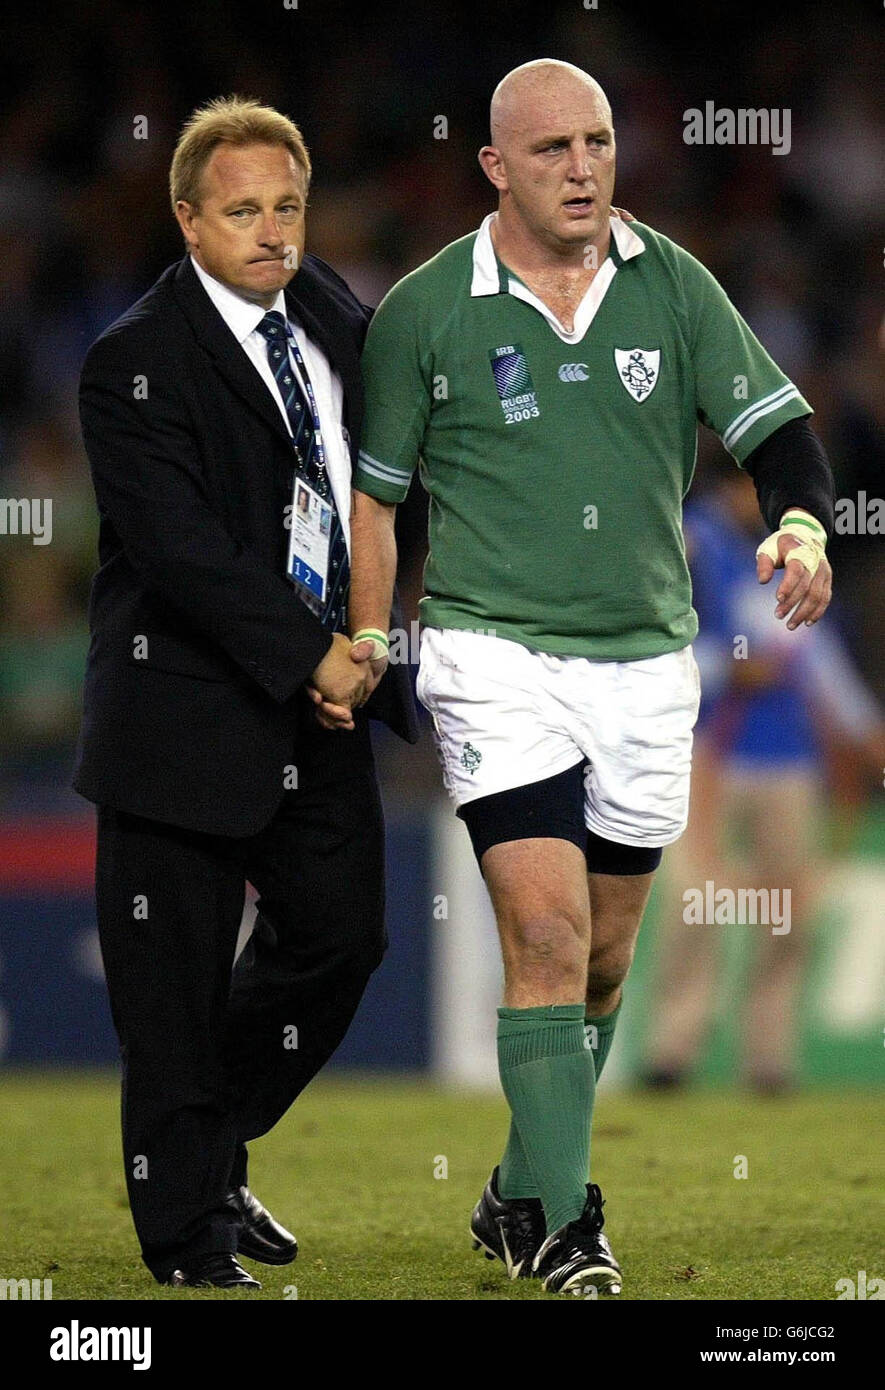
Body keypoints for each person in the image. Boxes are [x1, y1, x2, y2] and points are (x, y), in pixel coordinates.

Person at [340, 59, 835, 1295]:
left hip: (647, 664)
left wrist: (807, 526)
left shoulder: (671, 284)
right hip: (489, 653)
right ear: (494, 167)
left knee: (606, 960)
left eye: (600, 142)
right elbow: (376, 504)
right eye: (552, 147)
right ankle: (572, 1228)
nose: (582, 167)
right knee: (548, 934)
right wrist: (367, 637)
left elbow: (778, 431)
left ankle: (517, 1189)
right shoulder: (422, 312)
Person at [74, 96, 418, 1289]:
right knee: (168, 999)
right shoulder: (132, 362)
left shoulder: (327, 309)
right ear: (185, 220)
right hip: (179, 716)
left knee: (343, 939)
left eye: (288, 206)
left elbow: (382, 466)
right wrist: (310, 652)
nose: (273, 233)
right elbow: (181, 551)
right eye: (242, 212)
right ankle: (188, 1240)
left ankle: (206, 1150)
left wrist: (364, 640)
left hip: (315, 707)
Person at [644, 468, 883, 1093]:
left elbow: (818, 655)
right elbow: (655, 643)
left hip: (790, 759)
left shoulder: (790, 555)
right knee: (697, 902)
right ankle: (673, 1049)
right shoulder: (689, 542)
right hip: (713, 753)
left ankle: (770, 1058)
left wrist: (863, 726)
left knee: (789, 911)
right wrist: (726, 670)